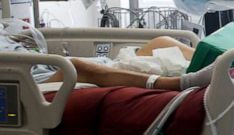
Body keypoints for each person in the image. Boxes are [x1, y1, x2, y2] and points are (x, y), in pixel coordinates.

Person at [0, 21, 212, 91]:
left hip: (47, 68)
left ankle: (229, 64)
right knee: (75, 67)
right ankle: (175, 84)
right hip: (30, 88)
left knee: (162, 42)